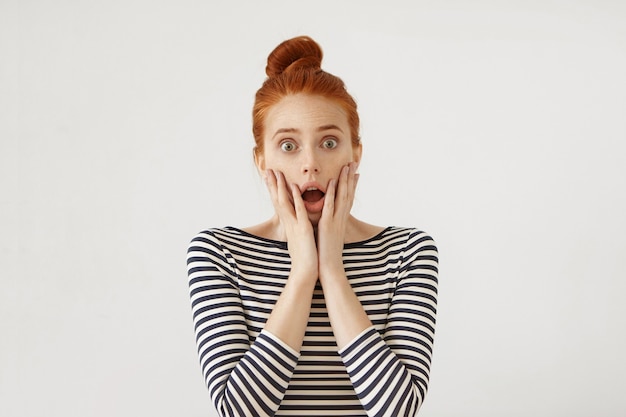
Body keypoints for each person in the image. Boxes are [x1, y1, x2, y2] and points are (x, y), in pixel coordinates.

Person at [186, 35, 439, 417]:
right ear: (261, 159)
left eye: (329, 142)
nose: (310, 164)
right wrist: (303, 272)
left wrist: (333, 270)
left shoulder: (408, 252)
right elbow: (239, 411)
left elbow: (396, 409)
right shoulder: (218, 254)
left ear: (356, 152)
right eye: (288, 146)